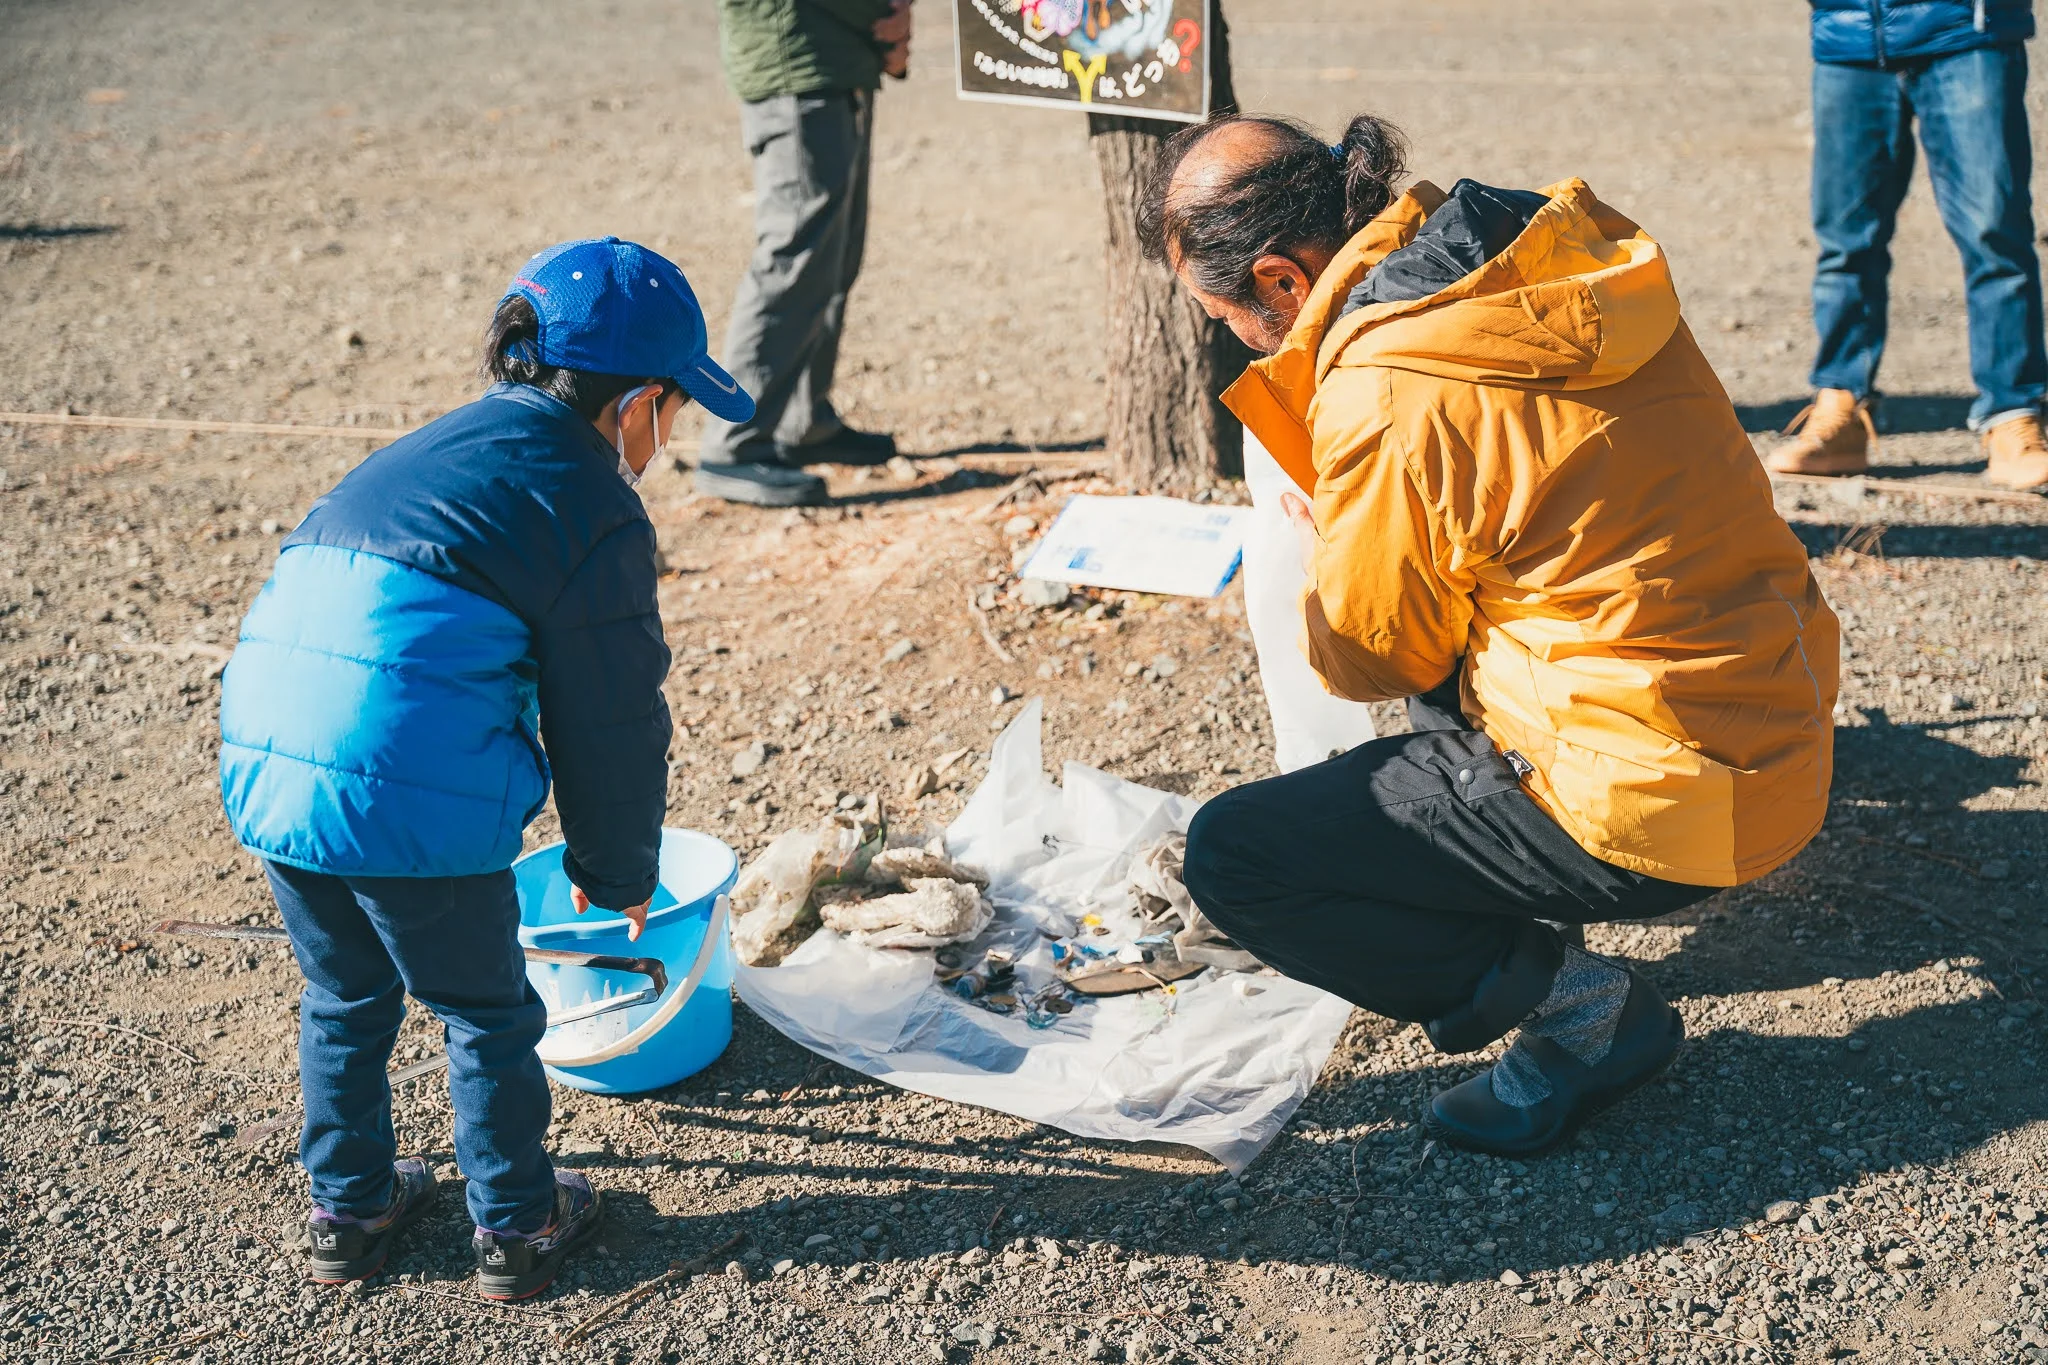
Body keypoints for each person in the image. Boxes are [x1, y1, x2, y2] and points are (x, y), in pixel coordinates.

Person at [1148, 114, 1841, 1157]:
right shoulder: (1535, 255)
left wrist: (1338, 529)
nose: (1238, 341)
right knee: (1464, 622)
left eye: (1228, 318)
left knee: (1240, 859)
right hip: (1776, 720)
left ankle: (1583, 1016)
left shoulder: (1388, 387)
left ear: (1284, 282)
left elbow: (1365, 656)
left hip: (1659, 801)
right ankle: (1531, 908)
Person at [217, 238, 754, 1296]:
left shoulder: (428, 451)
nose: (666, 436)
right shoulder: (587, 501)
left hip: (269, 765)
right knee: (490, 1012)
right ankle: (516, 1224)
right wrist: (615, 872)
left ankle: (350, 1207)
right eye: (674, 412)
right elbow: (607, 719)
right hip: (400, 783)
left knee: (342, 993)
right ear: (638, 402)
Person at [1770, 0, 2047, 491]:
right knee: (1844, 242)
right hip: (1848, 33)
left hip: (1967, 31)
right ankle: (1842, 408)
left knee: (1995, 237)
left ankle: (2011, 416)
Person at [696, 0, 914, 507]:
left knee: (834, 259)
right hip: (797, 66)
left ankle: (802, 420)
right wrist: (883, 21)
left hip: (834, 63)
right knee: (794, 260)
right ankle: (735, 443)